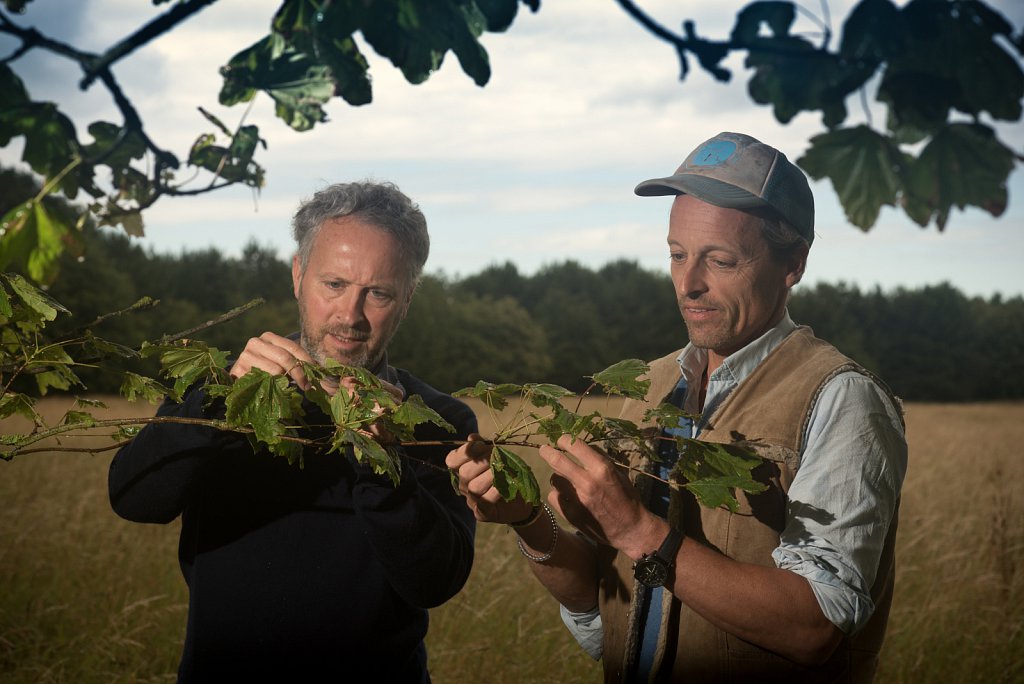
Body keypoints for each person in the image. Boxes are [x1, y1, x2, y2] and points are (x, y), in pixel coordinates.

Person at [447, 132, 907, 683]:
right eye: (677, 255)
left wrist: (639, 532)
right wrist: (527, 518)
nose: (688, 284)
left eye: (720, 260)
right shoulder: (651, 386)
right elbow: (604, 615)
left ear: (793, 263)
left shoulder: (842, 399)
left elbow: (815, 626)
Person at [109, 181, 478, 683]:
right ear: (298, 275)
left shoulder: (438, 420)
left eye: (379, 293)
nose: (350, 316)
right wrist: (218, 405)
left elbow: (436, 581)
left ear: (407, 299)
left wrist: (381, 457)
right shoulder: (221, 387)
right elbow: (133, 498)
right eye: (334, 285)